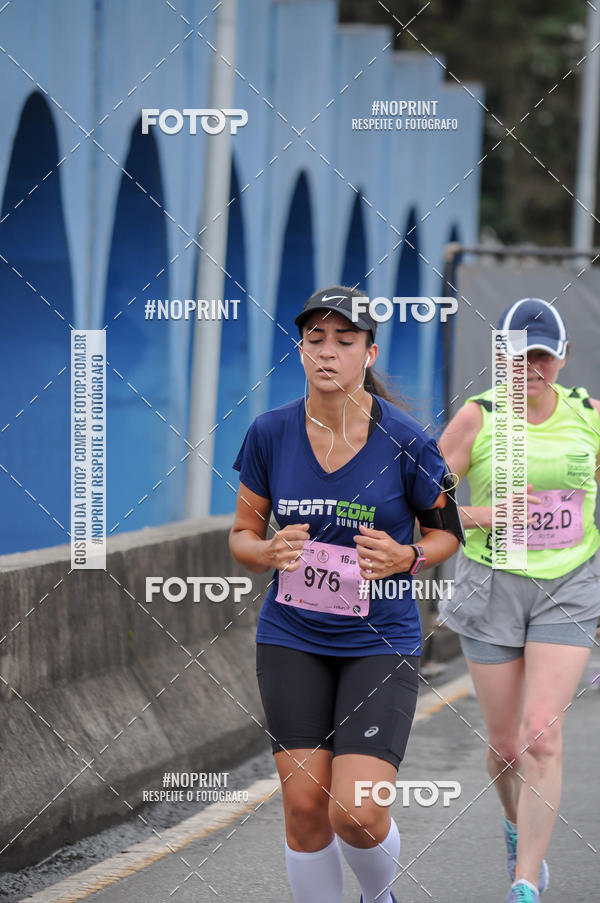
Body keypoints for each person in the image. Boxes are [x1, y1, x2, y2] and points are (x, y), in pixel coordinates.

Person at [229, 285, 463, 903]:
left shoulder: (408, 440)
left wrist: (407, 555)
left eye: (344, 340)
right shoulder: (269, 433)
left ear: (369, 352)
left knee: (355, 813)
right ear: (300, 349)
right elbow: (242, 535)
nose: (326, 353)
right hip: (292, 635)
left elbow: (447, 537)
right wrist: (268, 552)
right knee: (306, 808)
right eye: (315, 340)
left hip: (379, 641)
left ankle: (377, 895)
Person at [437, 298, 600, 903]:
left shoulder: (589, 416)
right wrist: (484, 514)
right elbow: (424, 499)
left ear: (563, 358)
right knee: (506, 747)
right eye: (518, 356)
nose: (531, 367)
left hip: (569, 585)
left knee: (540, 736)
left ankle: (526, 881)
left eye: (542, 357)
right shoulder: (476, 419)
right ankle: (514, 826)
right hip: (491, 585)